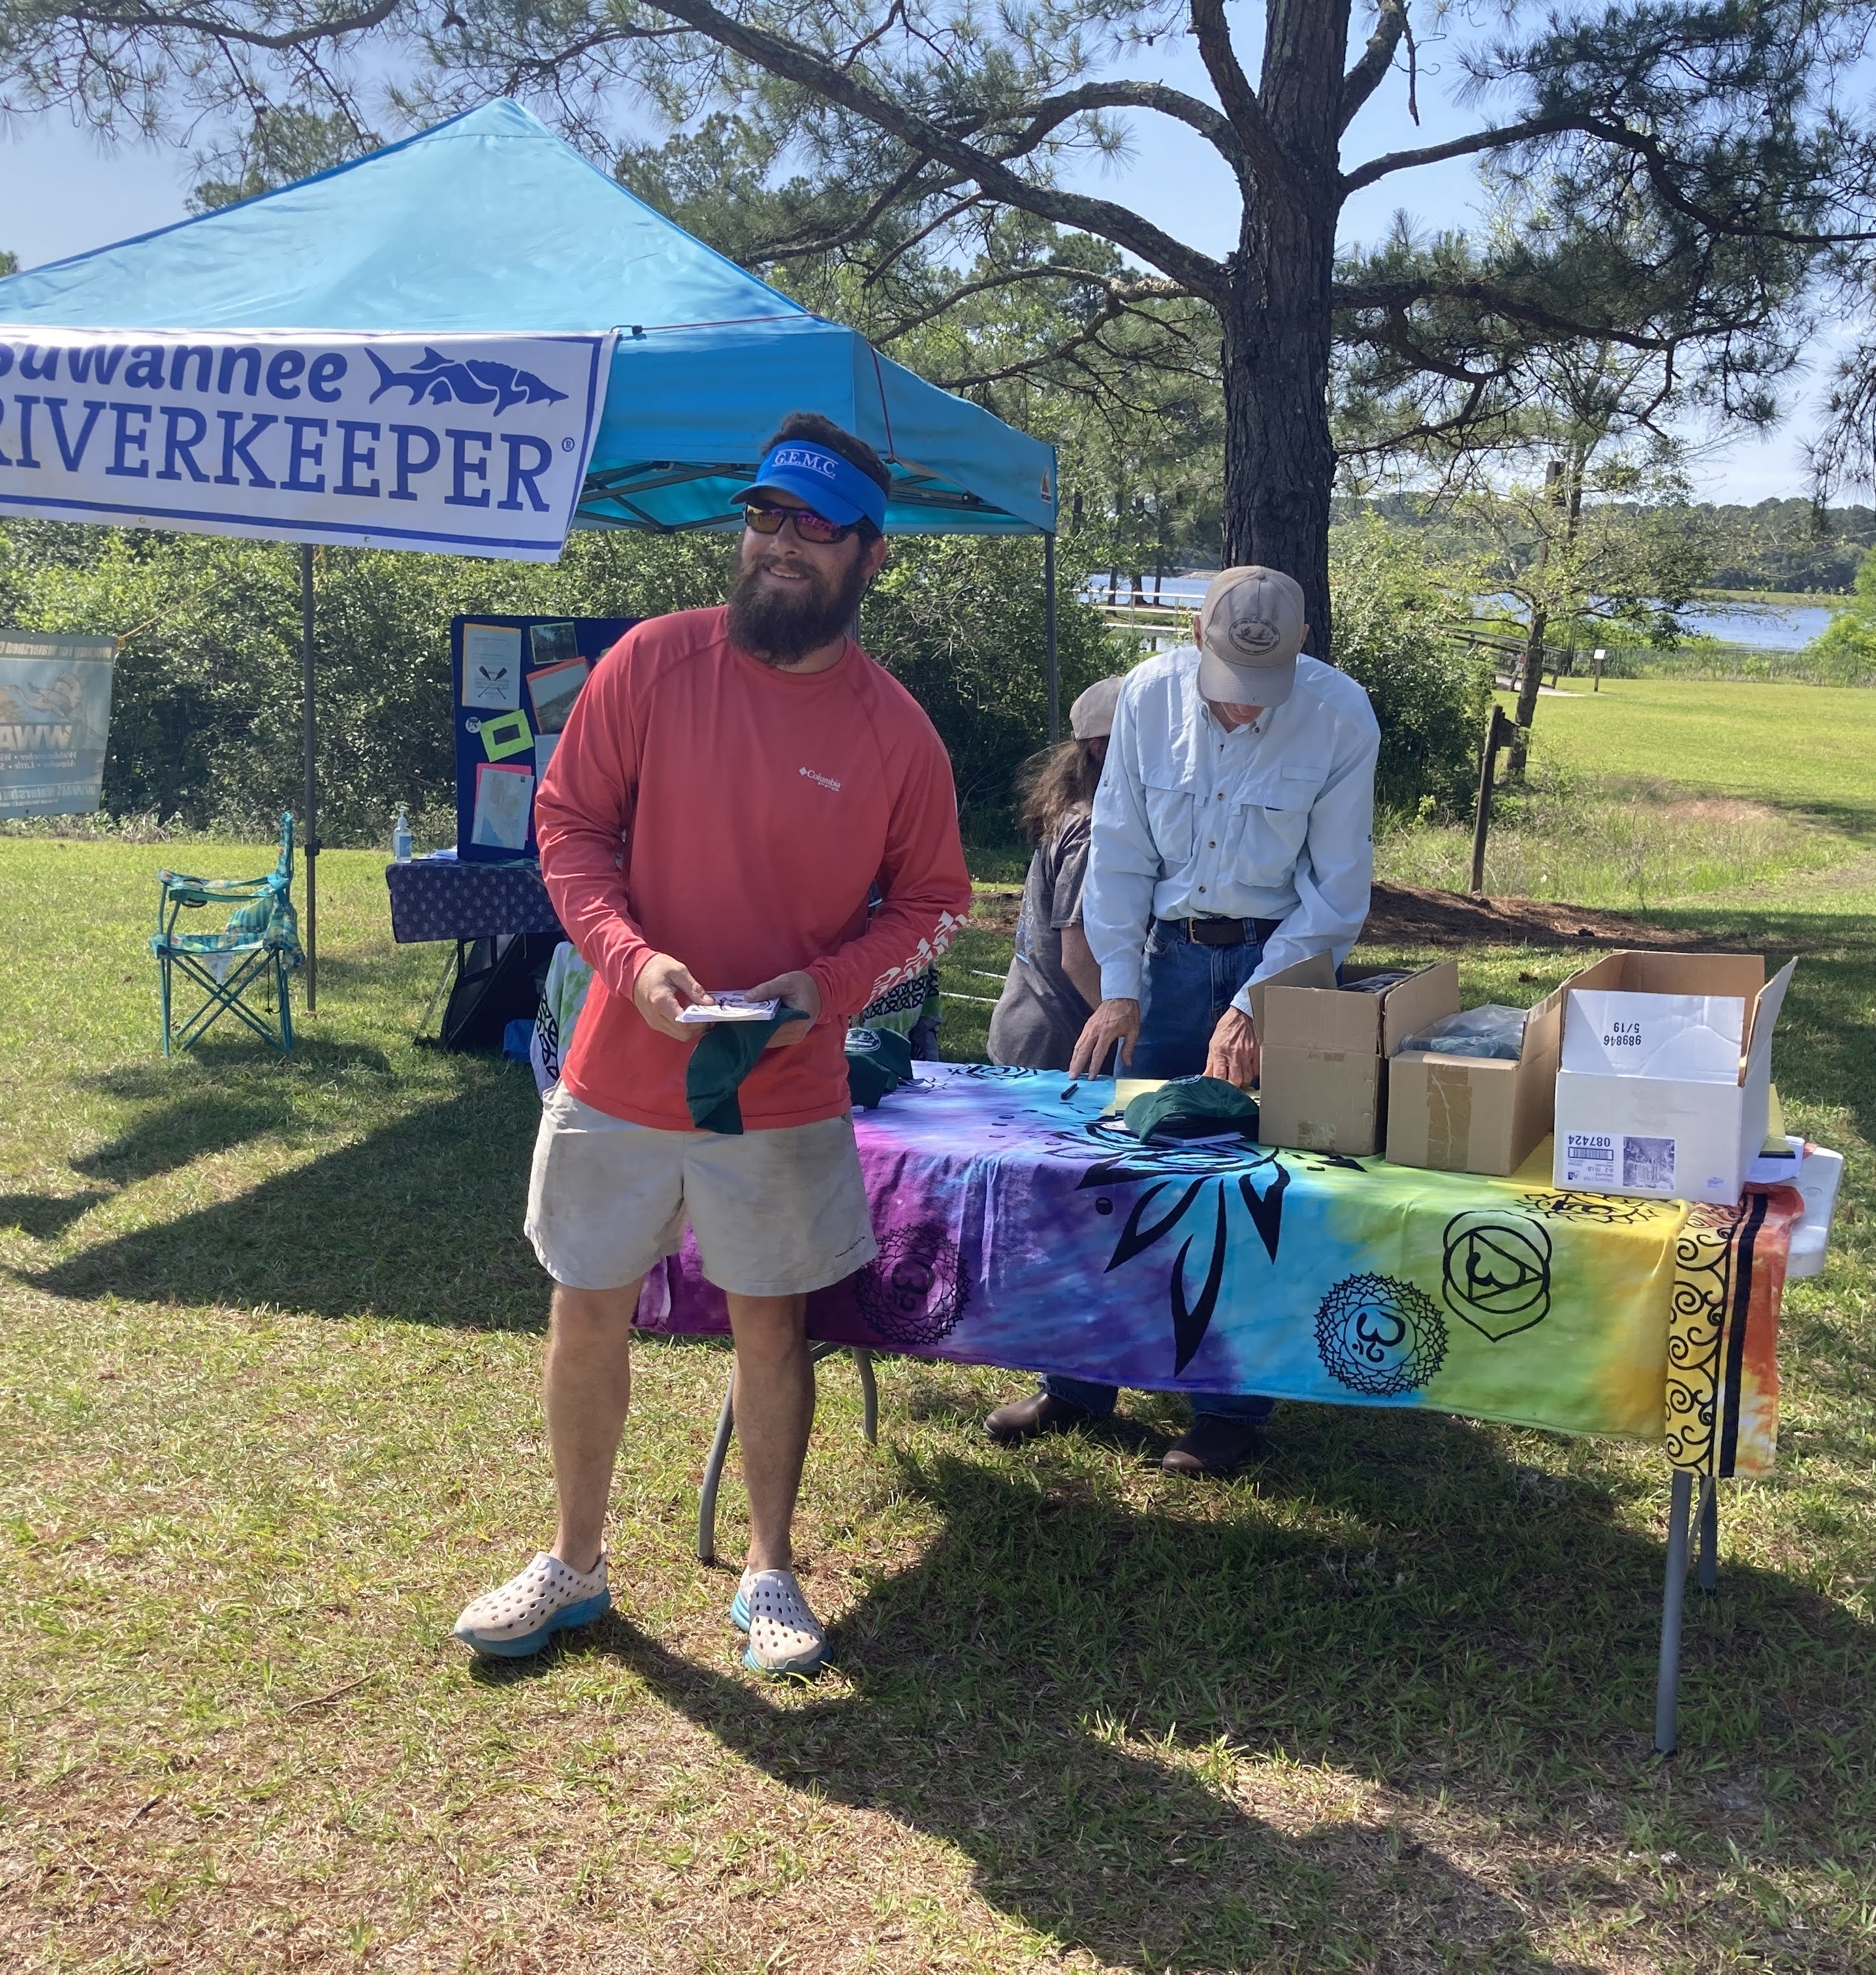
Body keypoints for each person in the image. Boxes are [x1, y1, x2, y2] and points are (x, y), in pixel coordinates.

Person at [453, 413, 973, 1675]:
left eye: (812, 525)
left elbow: (936, 906)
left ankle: (769, 1569)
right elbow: (567, 831)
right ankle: (573, 1563)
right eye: (763, 516)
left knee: (769, 1329)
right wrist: (630, 962)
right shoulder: (651, 663)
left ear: (869, 556)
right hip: (618, 1066)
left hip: (781, 1081)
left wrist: (828, 986)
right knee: (586, 1307)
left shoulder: (896, 730)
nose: (778, 543)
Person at [984, 565, 1380, 1479]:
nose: (1244, 712)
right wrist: (1119, 982)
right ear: (1196, 636)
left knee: (1247, 1190)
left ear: (1301, 645)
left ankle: (1230, 1408)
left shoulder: (1341, 714)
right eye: (1229, 693)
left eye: (1262, 693)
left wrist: (1256, 1004)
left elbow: (1335, 892)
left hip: (1284, 958)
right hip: (1164, 956)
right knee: (1115, 1175)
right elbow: (1119, 849)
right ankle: (1078, 1382)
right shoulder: (1151, 698)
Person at [987, 676, 1121, 1070]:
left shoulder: (1080, 815)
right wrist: (1135, 1030)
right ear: (1100, 749)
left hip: (1033, 1036)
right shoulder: (1092, 831)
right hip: (1054, 1048)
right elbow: (1077, 958)